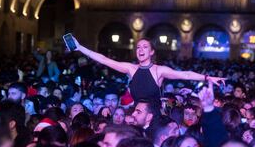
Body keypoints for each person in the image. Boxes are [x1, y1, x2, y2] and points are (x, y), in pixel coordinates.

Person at [71, 37, 225, 103]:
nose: (140, 49)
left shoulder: (159, 71)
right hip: (137, 116)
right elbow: (104, 59)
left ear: (151, 52)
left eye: (145, 47)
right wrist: (79, 47)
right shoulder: (130, 69)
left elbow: (185, 74)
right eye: (138, 47)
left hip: (155, 119)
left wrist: (207, 78)